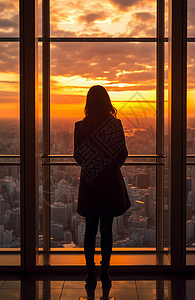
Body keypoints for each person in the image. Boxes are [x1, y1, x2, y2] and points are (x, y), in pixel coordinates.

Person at [74, 85, 131, 295]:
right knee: (107, 230)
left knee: (90, 230)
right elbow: (122, 153)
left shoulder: (80, 126)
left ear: (88, 103)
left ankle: (90, 273)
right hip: (109, 182)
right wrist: (109, 166)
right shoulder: (115, 126)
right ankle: (105, 272)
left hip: (90, 184)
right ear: (107, 102)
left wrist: (92, 166)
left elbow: (77, 155)